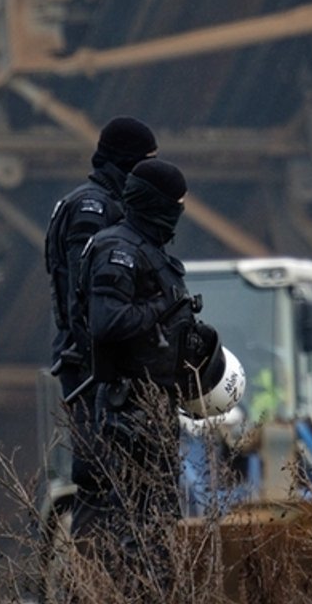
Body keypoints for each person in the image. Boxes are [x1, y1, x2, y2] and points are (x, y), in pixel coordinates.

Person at [73, 158, 221, 594]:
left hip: (155, 407)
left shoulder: (154, 254)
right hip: (126, 409)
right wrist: (164, 310)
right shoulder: (118, 250)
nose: (180, 210)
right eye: (176, 202)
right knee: (132, 529)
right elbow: (107, 321)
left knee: (157, 527)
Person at [46, 115, 159, 396]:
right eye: (147, 161)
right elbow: (81, 295)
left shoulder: (111, 204)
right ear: (128, 160)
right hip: (92, 366)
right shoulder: (92, 208)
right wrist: (102, 362)